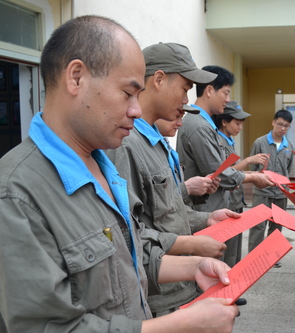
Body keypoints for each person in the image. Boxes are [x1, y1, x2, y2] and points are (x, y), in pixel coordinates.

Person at [0, 15, 239, 332]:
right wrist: (180, 324)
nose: (136, 110)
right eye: (127, 93)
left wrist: (194, 266)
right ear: (76, 78)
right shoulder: (17, 193)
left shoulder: (102, 165)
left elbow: (126, 258)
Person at [106, 42, 241, 316]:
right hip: (157, 293)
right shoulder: (126, 144)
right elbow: (126, 234)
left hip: (178, 284)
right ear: (158, 79)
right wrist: (192, 245)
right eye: (185, 88)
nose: (186, 101)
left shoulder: (154, 144)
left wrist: (206, 220)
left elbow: (165, 211)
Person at [176, 65, 274, 224]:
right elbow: (219, 173)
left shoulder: (203, 124)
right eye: (226, 93)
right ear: (209, 91)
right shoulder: (199, 126)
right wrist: (253, 177)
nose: (228, 99)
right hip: (205, 213)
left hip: (212, 208)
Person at [212, 101, 269, 268]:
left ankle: (233, 286)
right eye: (237, 123)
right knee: (225, 248)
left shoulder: (229, 141)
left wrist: (252, 173)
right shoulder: (218, 142)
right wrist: (248, 162)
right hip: (225, 202)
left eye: (242, 124)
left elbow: (233, 172)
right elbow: (224, 173)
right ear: (224, 121)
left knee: (235, 249)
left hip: (236, 200)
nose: (240, 128)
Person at [247, 109, 294, 266]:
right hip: (262, 192)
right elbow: (252, 168)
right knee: (258, 226)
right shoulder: (260, 143)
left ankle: (272, 257)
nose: (282, 128)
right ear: (273, 122)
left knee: (276, 226)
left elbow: (289, 168)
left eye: (286, 126)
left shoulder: (289, 147)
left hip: (280, 193)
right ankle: (254, 259)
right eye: (280, 124)